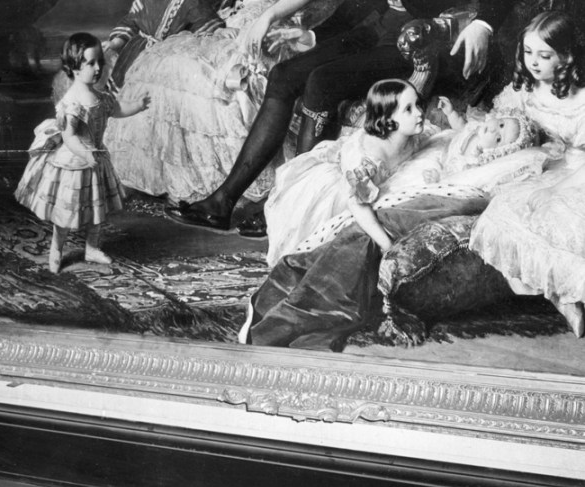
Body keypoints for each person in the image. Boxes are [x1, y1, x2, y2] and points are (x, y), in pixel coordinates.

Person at [165, 0, 514, 234]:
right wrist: (309, 34)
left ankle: (293, 205)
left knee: (322, 82)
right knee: (284, 75)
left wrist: (483, 23)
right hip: (377, 29)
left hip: (421, 38)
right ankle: (223, 202)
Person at [103, 0, 335, 208]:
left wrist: (266, 17)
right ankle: (181, 182)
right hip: (246, 19)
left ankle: (220, 191)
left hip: (285, 22)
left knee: (215, 76)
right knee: (173, 63)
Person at [469, 10, 585, 336]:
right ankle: (561, 299)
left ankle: (569, 295)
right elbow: (500, 116)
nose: (533, 62)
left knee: (560, 222)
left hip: (581, 176)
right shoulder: (528, 89)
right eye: (528, 52)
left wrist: (554, 191)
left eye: (544, 55)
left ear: (567, 56)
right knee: (501, 213)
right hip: (558, 165)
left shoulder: (582, 101)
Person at [15, 32, 150, 273]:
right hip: (74, 165)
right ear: (75, 68)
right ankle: (57, 249)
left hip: (95, 162)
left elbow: (117, 108)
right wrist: (85, 154)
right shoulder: (72, 102)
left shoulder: (101, 97)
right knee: (65, 215)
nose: (98, 68)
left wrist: (138, 106)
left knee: (98, 209)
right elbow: (69, 136)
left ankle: (92, 247)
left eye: (100, 61)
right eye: (91, 63)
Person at [263, 78, 428, 267]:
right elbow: (357, 204)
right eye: (409, 109)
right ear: (388, 119)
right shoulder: (367, 161)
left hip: (379, 180)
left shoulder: (410, 136)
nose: (419, 113)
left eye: (418, 105)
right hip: (341, 191)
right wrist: (387, 245)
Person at [103, 0, 225, 89]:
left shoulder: (188, 2)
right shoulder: (143, 2)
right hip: (137, 51)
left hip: (168, 53)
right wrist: (116, 42)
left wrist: (218, 30)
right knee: (127, 88)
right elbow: (130, 22)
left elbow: (202, 18)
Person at [429, 96, 540, 178]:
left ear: (498, 151)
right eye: (501, 124)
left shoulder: (479, 159)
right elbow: (460, 127)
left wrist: (441, 176)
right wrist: (450, 113)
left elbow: (459, 176)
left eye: (498, 139)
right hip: (444, 151)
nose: (493, 130)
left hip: (448, 170)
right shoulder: (476, 126)